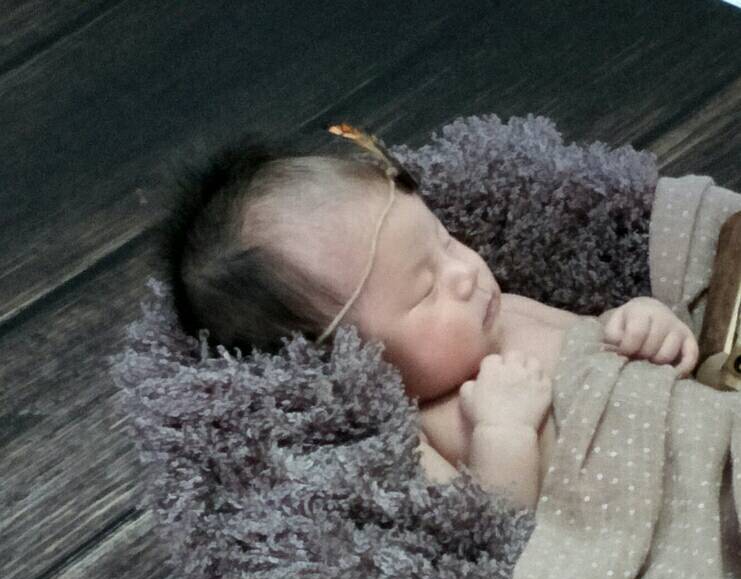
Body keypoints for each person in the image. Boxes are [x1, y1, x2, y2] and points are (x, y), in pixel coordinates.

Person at [163, 135, 699, 511]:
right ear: (348, 365)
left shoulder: (504, 310)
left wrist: (643, 323)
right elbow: (495, 534)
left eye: (445, 241)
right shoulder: (428, 429)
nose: (464, 274)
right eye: (424, 291)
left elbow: (602, 340)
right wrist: (505, 433)